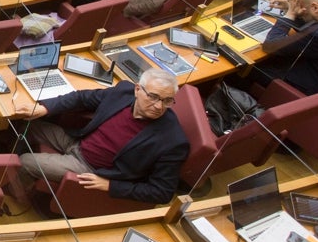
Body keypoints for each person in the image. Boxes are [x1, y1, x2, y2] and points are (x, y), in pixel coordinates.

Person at [11, 68, 189, 206]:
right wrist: (46, 108)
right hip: (79, 141)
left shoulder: (173, 141)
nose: (159, 106)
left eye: (167, 101)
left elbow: (162, 192)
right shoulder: (123, 92)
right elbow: (82, 98)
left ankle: (19, 195)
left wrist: (111, 186)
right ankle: (9, 171)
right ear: (137, 90)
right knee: (27, 123)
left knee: (24, 161)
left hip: (90, 167)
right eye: (153, 97)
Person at [256, 0, 318, 113]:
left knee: (254, 67)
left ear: (315, 7)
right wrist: (290, 6)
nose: (302, 11)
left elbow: (270, 46)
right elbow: (313, 24)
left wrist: (290, 14)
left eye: (304, 8)